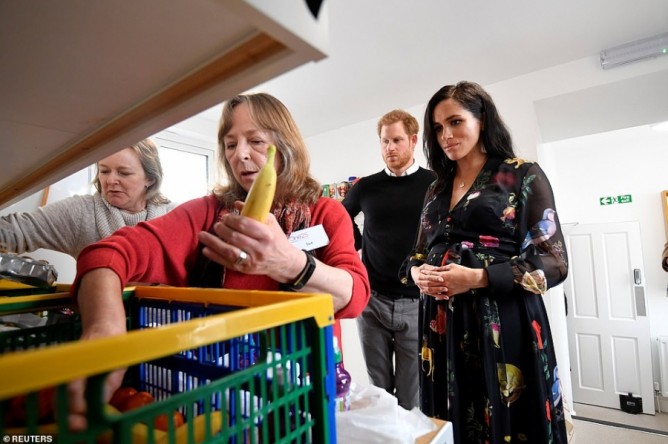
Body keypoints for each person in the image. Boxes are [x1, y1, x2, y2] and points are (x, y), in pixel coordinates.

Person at [68, 92, 370, 428]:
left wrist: (291, 263)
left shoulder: (325, 213)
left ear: (286, 145)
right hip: (219, 405)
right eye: (230, 144)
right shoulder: (207, 213)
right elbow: (108, 253)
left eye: (255, 141)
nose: (240, 154)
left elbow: (355, 295)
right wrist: (106, 326)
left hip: (307, 400)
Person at [404, 81, 570, 443]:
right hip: (440, 325)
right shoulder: (436, 187)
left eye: (455, 122)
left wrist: (478, 277)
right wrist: (417, 273)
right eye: (438, 128)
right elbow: (417, 253)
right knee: (450, 423)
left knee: (506, 421)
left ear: (482, 120)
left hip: (500, 319)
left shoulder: (522, 174)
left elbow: (554, 262)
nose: (446, 135)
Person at [342, 109, 435, 409]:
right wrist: (356, 245)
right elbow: (340, 218)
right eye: (384, 141)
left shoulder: (434, 183)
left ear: (413, 140)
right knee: (378, 392)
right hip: (372, 301)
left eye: (397, 140)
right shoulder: (366, 186)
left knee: (411, 396)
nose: (390, 147)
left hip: (416, 303)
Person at [0, 139, 174, 258]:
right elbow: (13, 231)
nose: (110, 180)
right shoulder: (81, 212)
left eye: (124, 173)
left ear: (150, 178)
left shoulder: (173, 215)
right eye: (104, 171)